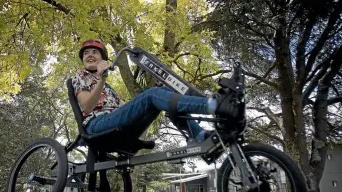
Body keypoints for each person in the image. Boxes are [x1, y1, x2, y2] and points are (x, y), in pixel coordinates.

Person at [71, 39, 241, 143]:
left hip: (116, 122)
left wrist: (156, 96)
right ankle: (214, 105)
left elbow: (124, 107)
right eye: (86, 53)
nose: (90, 55)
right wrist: (102, 79)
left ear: (103, 59)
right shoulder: (80, 77)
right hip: (97, 125)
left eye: (95, 52)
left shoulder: (108, 88)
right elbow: (86, 107)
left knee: (162, 91)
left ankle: (199, 135)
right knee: (152, 94)